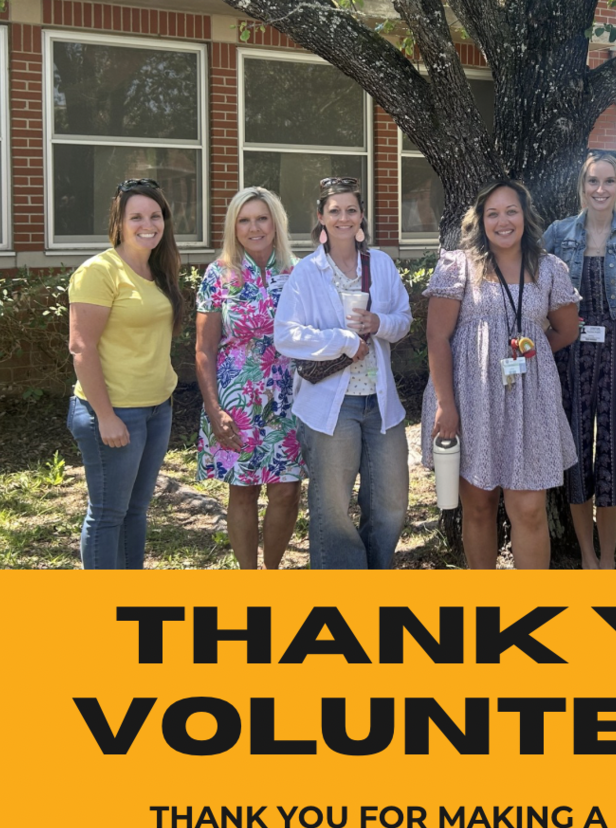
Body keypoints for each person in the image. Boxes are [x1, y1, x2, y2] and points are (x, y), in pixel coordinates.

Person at [422, 179, 581, 569]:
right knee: (478, 505)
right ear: (480, 221)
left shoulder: (550, 269)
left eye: (511, 211)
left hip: (531, 401)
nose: (503, 221)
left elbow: (566, 330)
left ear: (525, 215)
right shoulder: (458, 266)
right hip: (470, 398)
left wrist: (531, 353)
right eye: (492, 213)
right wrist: (446, 404)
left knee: (529, 509)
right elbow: (437, 338)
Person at [273, 177, 412, 569]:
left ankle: (375, 572)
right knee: (332, 507)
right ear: (320, 217)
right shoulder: (306, 271)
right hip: (329, 406)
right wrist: (342, 340)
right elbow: (286, 336)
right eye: (334, 211)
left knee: (391, 500)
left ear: (362, 215)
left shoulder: (381, 264)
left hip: (381, 404)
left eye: (351, 210)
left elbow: (403, 320)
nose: (343, 218)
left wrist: (378, 322)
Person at [67, 178, 184, 569]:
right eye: (136, 216)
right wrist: (105, 416)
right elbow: (81, 347)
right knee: (107, 514)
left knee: (136, 511)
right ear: (119, 221)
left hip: (156, 409)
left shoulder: (158, 270)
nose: (147, 224)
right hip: (115, 412)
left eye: (155, 215)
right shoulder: (99, 272)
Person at [543, 149, 616, 569]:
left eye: (609, 182)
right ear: (582, 186)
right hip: (569, 351)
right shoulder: (558, 234)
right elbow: (539, 293)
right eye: (593, 181)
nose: (600, 189)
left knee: (614, 456)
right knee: (575, 452)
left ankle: (607, 559)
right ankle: (586, 555)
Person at [195, 186, 303, 570]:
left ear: (276, 223)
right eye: (244, 220)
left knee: (287, 491)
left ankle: (271, 574)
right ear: (234, 227)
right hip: (235, 399)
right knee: (242, 491)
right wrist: (213, 409)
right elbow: (204, 348)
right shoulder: (218, 275)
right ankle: (248, 577)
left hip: (288, 397)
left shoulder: (298, 271)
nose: (254, 227)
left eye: (262, 218)